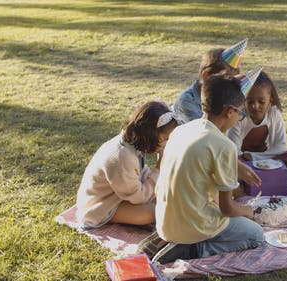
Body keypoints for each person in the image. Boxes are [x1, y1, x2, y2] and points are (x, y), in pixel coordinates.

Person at [152, 75, 264, 264]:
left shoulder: (182, 130)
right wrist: (248, 211)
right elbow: (227, 208)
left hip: (164, 222)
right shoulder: (224, 146)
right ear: (230, 111)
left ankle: (186, 241)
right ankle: (194, 249)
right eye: (240, 113)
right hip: (192, 228)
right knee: (256, 235)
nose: (239, 119)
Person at [173, 39, 262, 188]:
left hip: (210, 157)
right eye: (227, 79)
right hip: (188, 165)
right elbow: (204, 139)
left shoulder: (226, 103)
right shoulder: (186, 101)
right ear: (207, 76)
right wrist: (237, 166)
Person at [76, 101, 179, 229]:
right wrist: (158, 170)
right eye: (164, 139)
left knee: (167, 198)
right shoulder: (122, 157)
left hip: (120, 195)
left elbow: (139, 174)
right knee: (157, 212)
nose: (166, 144)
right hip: (100, 206)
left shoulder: (131, 145)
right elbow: (138, 197)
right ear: (149, 135)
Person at [227, 71, 287, 168]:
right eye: (250, 101)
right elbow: (234, 151)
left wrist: (253, 156)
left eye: (261, 102)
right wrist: (245, 158)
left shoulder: (274, 113)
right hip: (243, 160)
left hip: (266, 158)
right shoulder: (238, 116)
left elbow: (281, 147)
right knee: (231, 161)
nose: (255, 106)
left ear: (270, 101)